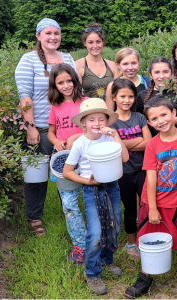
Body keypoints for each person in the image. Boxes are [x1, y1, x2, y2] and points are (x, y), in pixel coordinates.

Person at [124, 96, 177, 299]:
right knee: (149, 238)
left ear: (173, 114)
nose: (160, 120)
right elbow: (150, 177)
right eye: (154, 118)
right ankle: (145, 276)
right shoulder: (152, 145)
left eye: (164, 114)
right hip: (152, 201)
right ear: (149, 123)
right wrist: (152, 207)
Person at [15, 18, 78, 237]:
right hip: (41, 128)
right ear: (38, 36)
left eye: (56, 33)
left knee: (67, 172)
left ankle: (69, 211)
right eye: (48, 33)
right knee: (37, 177)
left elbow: (74, 91)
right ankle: (35, 217)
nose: (53, 37)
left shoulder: (68, 58)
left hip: (66, 129)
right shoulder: (28, 60)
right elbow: (25, 97)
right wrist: (30, 127)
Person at [63, 98, 129, 295]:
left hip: (112, 187)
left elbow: (124, 158)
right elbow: (68, 172)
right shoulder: (80, 144)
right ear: (83, 123)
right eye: (92, 120)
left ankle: (106, 259)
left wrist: (116, 135)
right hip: (92, 190)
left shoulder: (110, 139)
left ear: (107, 121)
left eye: (102, 119)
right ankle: (92, 272)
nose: (97, 124)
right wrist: (88, 181)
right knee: (95, 234)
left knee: (114, 226)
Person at [47, 63, 88, 264]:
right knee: (69, 205)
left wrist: (75, 136)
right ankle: (80, 244)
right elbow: (51, 133)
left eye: (69, 81)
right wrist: (56, 142)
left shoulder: (86, 103)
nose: (66, 85)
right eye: (60, 82)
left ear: (75, 80)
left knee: (92, 202)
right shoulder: (55, 107)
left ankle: (100, 239)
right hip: (65, 163)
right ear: (54, 85)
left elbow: (98, 128)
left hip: (87, 161)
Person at [108, 78, 151, 260]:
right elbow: (113, 148)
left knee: (146, 203)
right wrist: (136, 143)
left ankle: (147, 236)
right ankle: (132, 242)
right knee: (130, 207)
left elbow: (149, 143)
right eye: (123, 96)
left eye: (131, 96)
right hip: (123, 171)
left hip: (143, 168)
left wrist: (122, 144)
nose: (127, 100)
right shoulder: (110, 122)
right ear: (114, 97)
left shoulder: (139, 117)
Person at [135, 57, 177, 135]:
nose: (161, 76)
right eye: (157, 72)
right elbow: (138, 121)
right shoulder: (142, 95)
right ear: (151, 75)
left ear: (171, 73)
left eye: (165, 72)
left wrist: (172, 120)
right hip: (153, 140)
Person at [75, 23, 119, 100]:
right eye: (90, 42)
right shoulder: (78, 65)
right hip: (87, 110)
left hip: (109, 110)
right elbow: (76, 94)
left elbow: (118, 92)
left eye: (98, 41)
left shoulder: (112, 65)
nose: (95, 46)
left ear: (103, 42)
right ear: (85, 43)